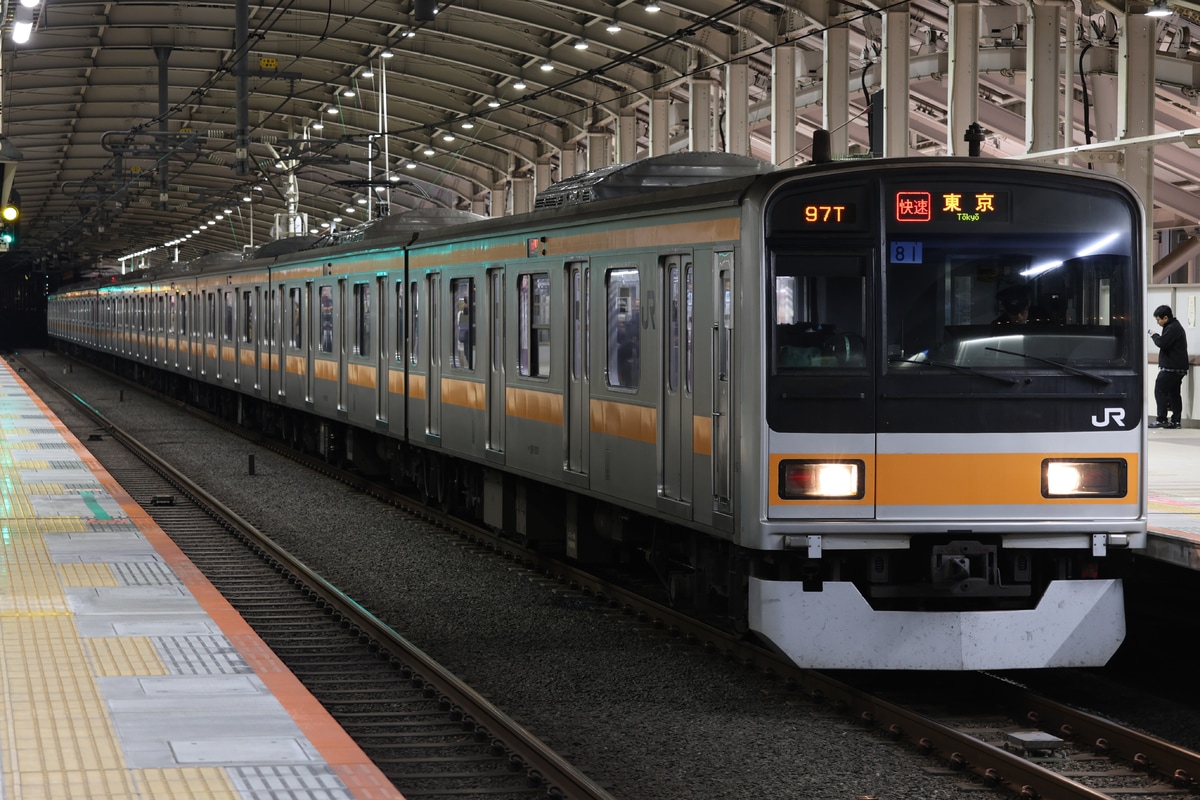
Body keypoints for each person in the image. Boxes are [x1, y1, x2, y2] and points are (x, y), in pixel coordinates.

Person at [1150, 304, 1189, 429]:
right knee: (1174, 393)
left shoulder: (1172, 328)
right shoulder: (1174, 326)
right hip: (1178, 367)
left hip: (1171, 367)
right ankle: (1175, 421)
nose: (1158, 322)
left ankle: (1161, 419)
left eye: (1158, 319)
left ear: (1165, 318)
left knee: (1159, 389)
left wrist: (1154, 335)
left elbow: (1162, 343)